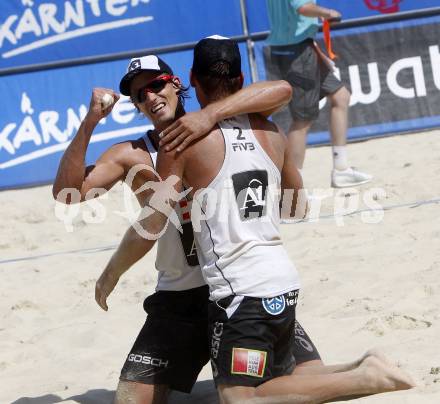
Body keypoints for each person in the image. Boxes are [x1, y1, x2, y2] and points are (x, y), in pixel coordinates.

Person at [112, 36, 414, 404]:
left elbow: (153, 223)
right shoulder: (271, 133)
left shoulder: (181, 143)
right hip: (282, 282)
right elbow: (297, 208)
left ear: (189, 78)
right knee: (277, 380)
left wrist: (110, 275)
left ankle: (365, 378)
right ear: (241, 82)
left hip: (240, 295)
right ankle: (361, 364)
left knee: (239, 397)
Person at [52, 54, 324, 404]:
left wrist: (211, 113)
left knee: (310, 380)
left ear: (177, 83)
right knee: (131, 399)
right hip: (181, 297)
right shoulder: (134, 154)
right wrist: (89, 122)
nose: (149, 97)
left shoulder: (220, 129)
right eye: (139, 95)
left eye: (155, 85)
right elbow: (66, 193)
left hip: (239, 289)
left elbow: (280, 91)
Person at [264, 0, 373, 188]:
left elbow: (296, 17)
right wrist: (328, 12)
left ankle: (341, 169)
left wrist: (315, 51)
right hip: (296, 53)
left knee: (341, 96)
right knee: (302, 120)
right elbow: (303, 8)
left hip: (298, 48)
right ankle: (293, 187)